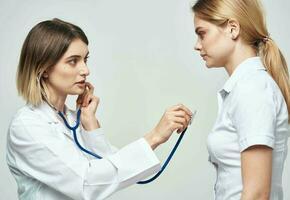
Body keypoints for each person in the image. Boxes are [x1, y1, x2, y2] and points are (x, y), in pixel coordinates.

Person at [6, 18, 192, 200]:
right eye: (73, 61)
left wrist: (90, 125)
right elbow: (86, 184)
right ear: (44, 67)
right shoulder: (27, 126)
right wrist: (155, 136)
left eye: (85, 59)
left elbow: (113, 170)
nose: (85, 70)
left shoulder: (73, 119)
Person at [192, 0, 289, 199]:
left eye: (202, 34)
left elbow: (257, 194)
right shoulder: (243, 88)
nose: (197, 45)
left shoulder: (252, 89)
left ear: (233, 28)